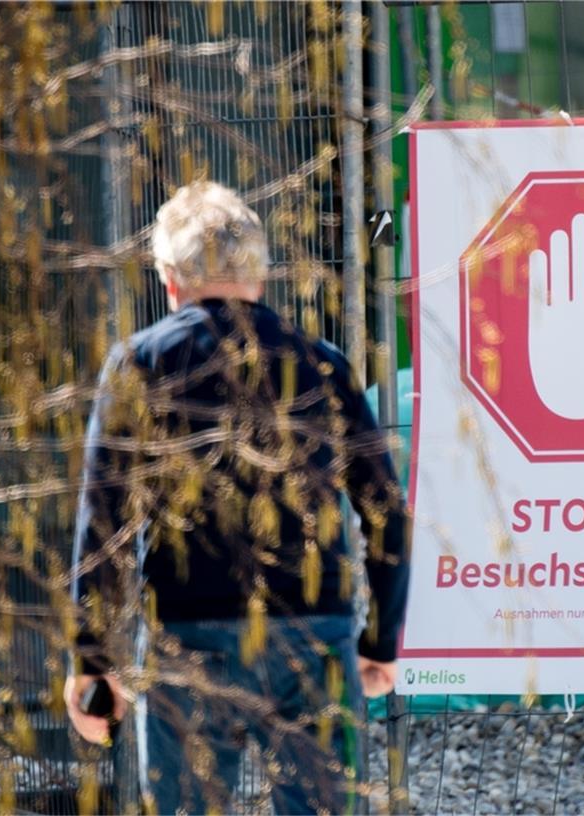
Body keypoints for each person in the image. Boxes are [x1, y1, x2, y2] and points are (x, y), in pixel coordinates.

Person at [65, 181, 409, 814]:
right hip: (315, 629)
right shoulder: (324, 365)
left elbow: (105, 520)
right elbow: (385, 511)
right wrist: (380, 641)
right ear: (262, 272)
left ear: (170, 277)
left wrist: (93, 658)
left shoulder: (140, 364)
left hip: (189, 634)